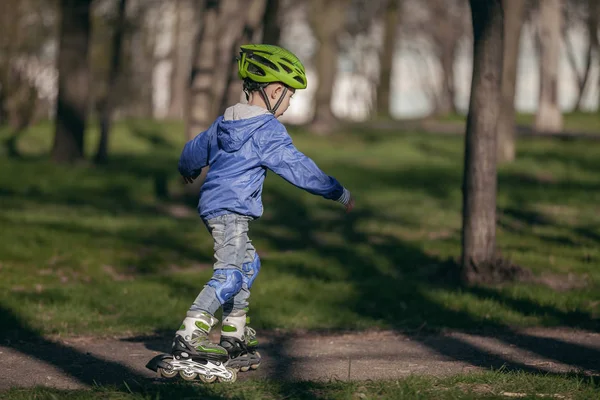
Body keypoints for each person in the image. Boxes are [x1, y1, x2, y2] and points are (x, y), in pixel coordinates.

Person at [173, 44, 354, 375]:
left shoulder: (225, 121)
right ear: (274, 91)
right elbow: (299, 168)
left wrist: (188, 167)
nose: (289, 104)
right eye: (290, 96)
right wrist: (336, 191)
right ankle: (190, 335)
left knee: (247, 265)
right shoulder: (267, 130)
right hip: (232, 212)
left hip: (214, 208)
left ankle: (234, 336)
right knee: (229, 274)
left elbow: (194, 151)